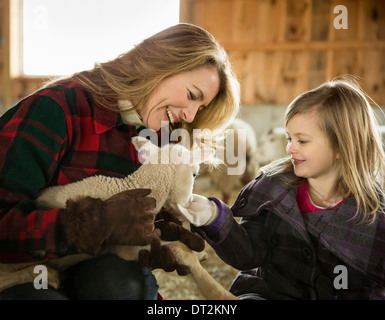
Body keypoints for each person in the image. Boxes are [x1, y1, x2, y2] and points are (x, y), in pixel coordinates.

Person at [0, 23, 240, 300]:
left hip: (82, 264)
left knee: (126, 286)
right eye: (191, 95)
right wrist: (90, 224)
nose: (190, 115)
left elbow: (124, 211)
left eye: (200, 108)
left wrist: (153, 233)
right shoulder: (56, 109)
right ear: (159, 65)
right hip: (17, 269)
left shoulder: (155, 136)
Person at [180, 77, 385, 299]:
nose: (290, 148)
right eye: (289, 139)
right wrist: (214, 218)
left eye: (302, 141)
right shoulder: (273, 189)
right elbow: (248, 255)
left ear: (341, 145)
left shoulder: (373, 214)